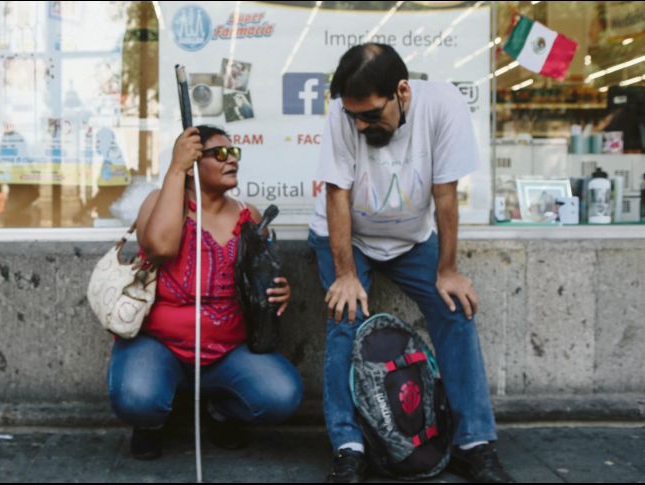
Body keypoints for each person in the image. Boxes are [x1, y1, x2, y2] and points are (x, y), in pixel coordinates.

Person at [308, 44, 514, 483]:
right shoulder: (342, 114)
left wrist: (449, 269)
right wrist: (345, 274)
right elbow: (336, 194)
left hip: (411, 239)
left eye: (371, 115)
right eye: (354, 117)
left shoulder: (443, 106)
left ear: (402, 92)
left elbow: (446, 195)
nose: (361, 125)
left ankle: (474, 443)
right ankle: (349, 447)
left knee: (455, 308)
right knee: (345, 318)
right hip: (349, 237)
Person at [108, 125, 303, 460]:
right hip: (157, 343)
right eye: (221, 154)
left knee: (282, 394)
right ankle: (151, 422)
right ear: (194, 161)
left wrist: (280, 292)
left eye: (235, 153)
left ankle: (222, 411)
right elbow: (158, 247)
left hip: (227, 349)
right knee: (136, 398)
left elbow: (264, 275)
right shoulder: (159, 202)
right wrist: (175, 170)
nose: (233, 160)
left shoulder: (249, 216)